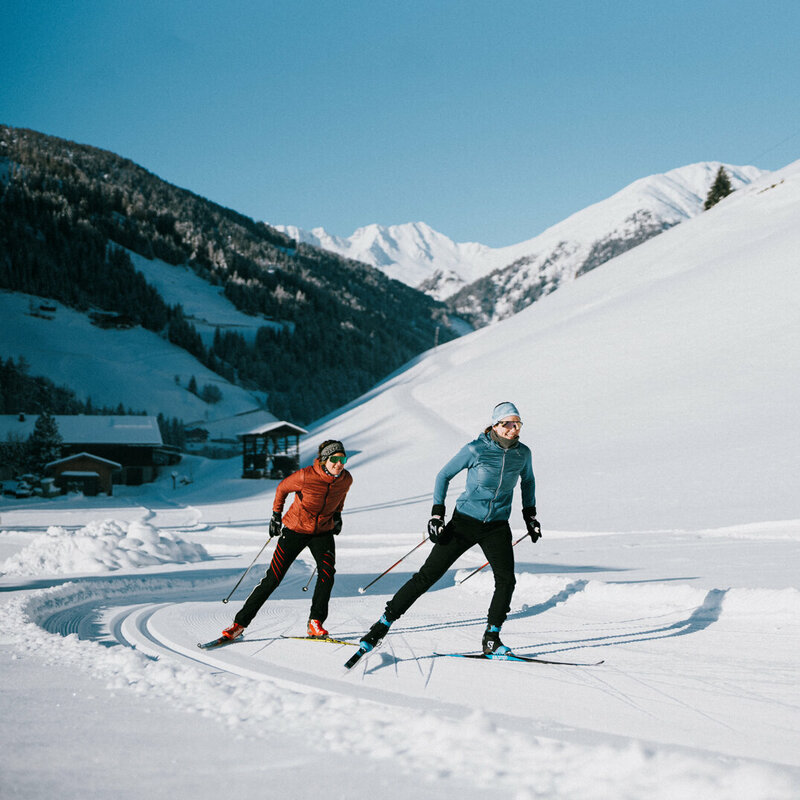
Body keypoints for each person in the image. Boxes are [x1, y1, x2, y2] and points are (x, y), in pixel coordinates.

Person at [357, 402, 540, 656]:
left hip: (497, 525)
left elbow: (528, 481)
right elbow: (443, 475)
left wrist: (530, 515)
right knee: (427, 576)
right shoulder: (475, 449)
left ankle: (492, 638)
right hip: (464, 522)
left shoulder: (523, 453)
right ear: (496, 425)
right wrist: (437, 514)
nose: (513, 429)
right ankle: (382, 625)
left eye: (517, 424)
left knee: (507, 580)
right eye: (508, 423)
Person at [219, 440, 353, 641]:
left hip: (322, 532)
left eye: (342, 459)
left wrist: (338, 515)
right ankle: (239, 624)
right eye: (334, 459)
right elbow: (282, 488)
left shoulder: (346, 479)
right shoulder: (305, 475)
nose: (339, 464)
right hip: (295, 530)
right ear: (325, 460)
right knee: (273, 578)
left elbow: (341, 495)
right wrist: (275, 515)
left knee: (327, 573)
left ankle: (315, 622)